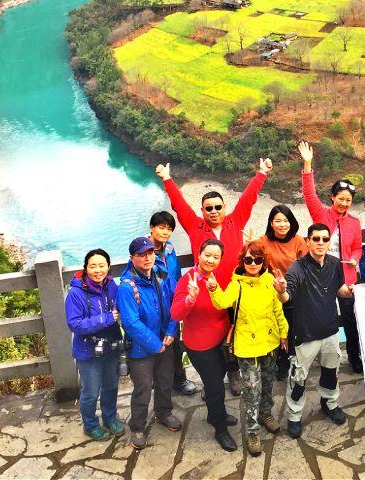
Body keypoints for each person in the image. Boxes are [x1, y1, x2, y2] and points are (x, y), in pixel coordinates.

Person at [156, 158, 273, 395]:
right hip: (206, 295)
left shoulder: (235, 221)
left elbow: (248, 199)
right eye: (208, 208)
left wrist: (261, 174)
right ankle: (213, 379)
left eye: (217, 207)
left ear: (224, 208)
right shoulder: (195, 226)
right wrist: (167, 179)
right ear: (202, 211)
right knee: (212, 336)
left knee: (235, 332)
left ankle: (234, 373)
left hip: (233, 293)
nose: (213, 211)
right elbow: (179, 206)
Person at [206, 241, 288, 456]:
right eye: (248, 259)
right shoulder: (237, 284)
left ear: (264, 261)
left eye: (257, 259)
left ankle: (265, 413)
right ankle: (252, 432)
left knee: (268, 384)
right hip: (247, 346)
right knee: (252, 391)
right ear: (242, 261)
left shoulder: (269, 280)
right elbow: (222, 302)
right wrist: (214, 289)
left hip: (270, 342)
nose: (253, 263)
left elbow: (278, 310)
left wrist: (283, 333)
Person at [275, 223, 354, 438]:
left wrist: (351, 291)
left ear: (329, 242)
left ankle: (330, 404)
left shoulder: (335, 264)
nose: (320, 243)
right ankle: (294, 416)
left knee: (330, 372)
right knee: (298, 378)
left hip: (330, 331)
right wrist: (281, 291)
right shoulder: (297, 268)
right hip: (306, 334)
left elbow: (340, 289)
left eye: (324, 239)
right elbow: (287, 296)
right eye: (316, 239)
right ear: (307, 241)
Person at [298, 141, 364, 373]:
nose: (344, 203)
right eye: (341, 198)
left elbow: (357, 248)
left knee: (350, 319)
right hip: (320, 276)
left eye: (348, 200)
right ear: (332, 197)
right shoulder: (320, 214)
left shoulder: (354, 222)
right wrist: (308, 164)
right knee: (319, 316)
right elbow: (309, 194)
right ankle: (317, 357)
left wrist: (355, 258)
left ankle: (354, 357)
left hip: (345, 277)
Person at [170, 239, 238, 451]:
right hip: (200, 345)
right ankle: (220, 427)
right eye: (207, 255)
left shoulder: (217, 276)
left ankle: (214, 414)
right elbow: (176, 314)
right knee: (215, 386)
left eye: (216, 257)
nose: (210, 260)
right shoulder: (188, 280)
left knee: (218, 378)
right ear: (198, 255)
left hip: (221, 340)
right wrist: (190, 298)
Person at [117, 237, 180, 449]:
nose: (147, 258)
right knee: (142, 388)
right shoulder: (127, 287)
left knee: (165, 381)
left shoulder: (161, 274)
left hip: (165, 340)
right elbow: (130, 323)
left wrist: (171, 330)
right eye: (141, 254)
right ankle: (137, 427)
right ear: (132, 258)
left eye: (150, 253)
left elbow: (175, 302)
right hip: (141, 348)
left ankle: (163, 412)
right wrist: (155, 344)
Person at [65, 248, 124, 441]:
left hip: (111, 346)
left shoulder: (112, 286)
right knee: (90, 391)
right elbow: (75, 324)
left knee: (111, 385)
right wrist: (106, 318)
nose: (97, 270)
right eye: (92, 266)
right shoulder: (76, 293)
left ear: (108, 266)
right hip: (87, 350)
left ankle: (110, 418)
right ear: (85, 268)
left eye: (101, 265)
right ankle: (90, 425)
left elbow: (121, 306)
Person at [148, 211, 198, 396]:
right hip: (153, 306)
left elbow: (176, 275)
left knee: (175, 344)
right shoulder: (143, 250)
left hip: (172, 303)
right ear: (152, 228)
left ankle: (179, 379)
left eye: (169, 229)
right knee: (155, 344)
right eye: (162, 227)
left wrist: (181, 297)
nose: (166, 232)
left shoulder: (169, 248)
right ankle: (158, 382)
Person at [259, 204, 307, 380]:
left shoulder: (298, 241)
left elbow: (306, 266)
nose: (282, 224)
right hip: (271, 293)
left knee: (293, 328)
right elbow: (252, 260)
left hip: (295, 292)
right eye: (278, 221)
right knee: (278, 328)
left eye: (286, 220)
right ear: (271, 223)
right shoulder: (263, 241)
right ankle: (280, 364)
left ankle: (294, 361)